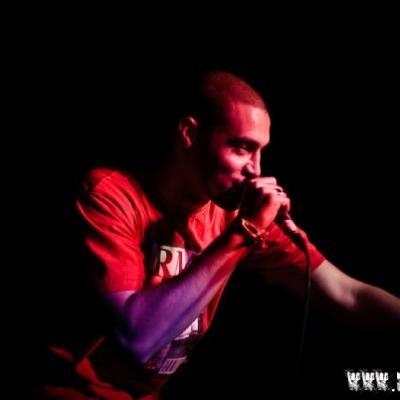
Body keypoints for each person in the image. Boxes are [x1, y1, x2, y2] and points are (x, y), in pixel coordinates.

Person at [33, 70, 400, 399]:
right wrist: (245, 231)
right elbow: (137, 339)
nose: (255, 170)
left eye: (260, 152)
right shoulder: (110, 195)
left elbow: (346, 294)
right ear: (190, 133)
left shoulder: (232, 216)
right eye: (241, 148)